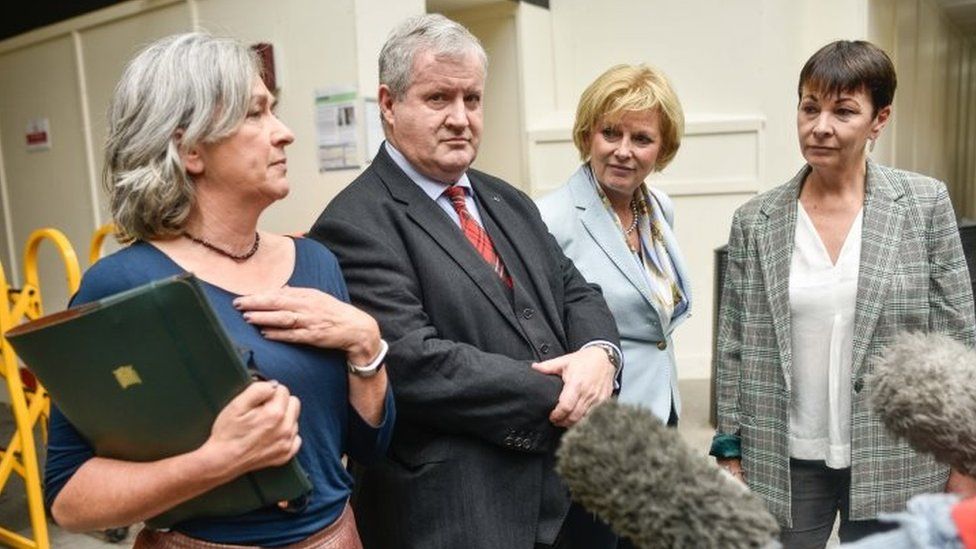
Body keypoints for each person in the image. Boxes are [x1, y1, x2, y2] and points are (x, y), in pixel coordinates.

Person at [43, 32, 394, 549]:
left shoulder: (317, 262)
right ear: (189, 150)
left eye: (274, 110)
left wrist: (367, 345)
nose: (285, 133)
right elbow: (69, 499)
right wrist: (217, 461)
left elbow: (367, 447)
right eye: (256, 114)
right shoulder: (121, 285)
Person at [310, 13, 622, 549]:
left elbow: (576, 292)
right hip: (461, 513)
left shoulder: (508, 200)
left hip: (575, 501)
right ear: (388, 104)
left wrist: (600, 356)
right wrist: (568, 393)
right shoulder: (353, 223)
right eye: (438, 99)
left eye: (472, 100)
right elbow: (414, 362)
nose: (461, 118)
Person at [710, 39, 976, 548]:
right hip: (784, 460)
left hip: (900, 458)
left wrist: (966, 463)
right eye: (810, 107)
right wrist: (730, 451)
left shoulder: (923, 205)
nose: (820, 126)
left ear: (880, 119)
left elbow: (958, 340)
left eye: (844, 111)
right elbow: (734, 345)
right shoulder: (756, 220)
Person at [536, 63, 691, 427]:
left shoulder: (659, 209)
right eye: (610, 133)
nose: (624, 151)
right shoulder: (548, 219)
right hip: (600, 424)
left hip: (662, 409)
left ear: (662, 147)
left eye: (641, 139)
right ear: (588, 134)